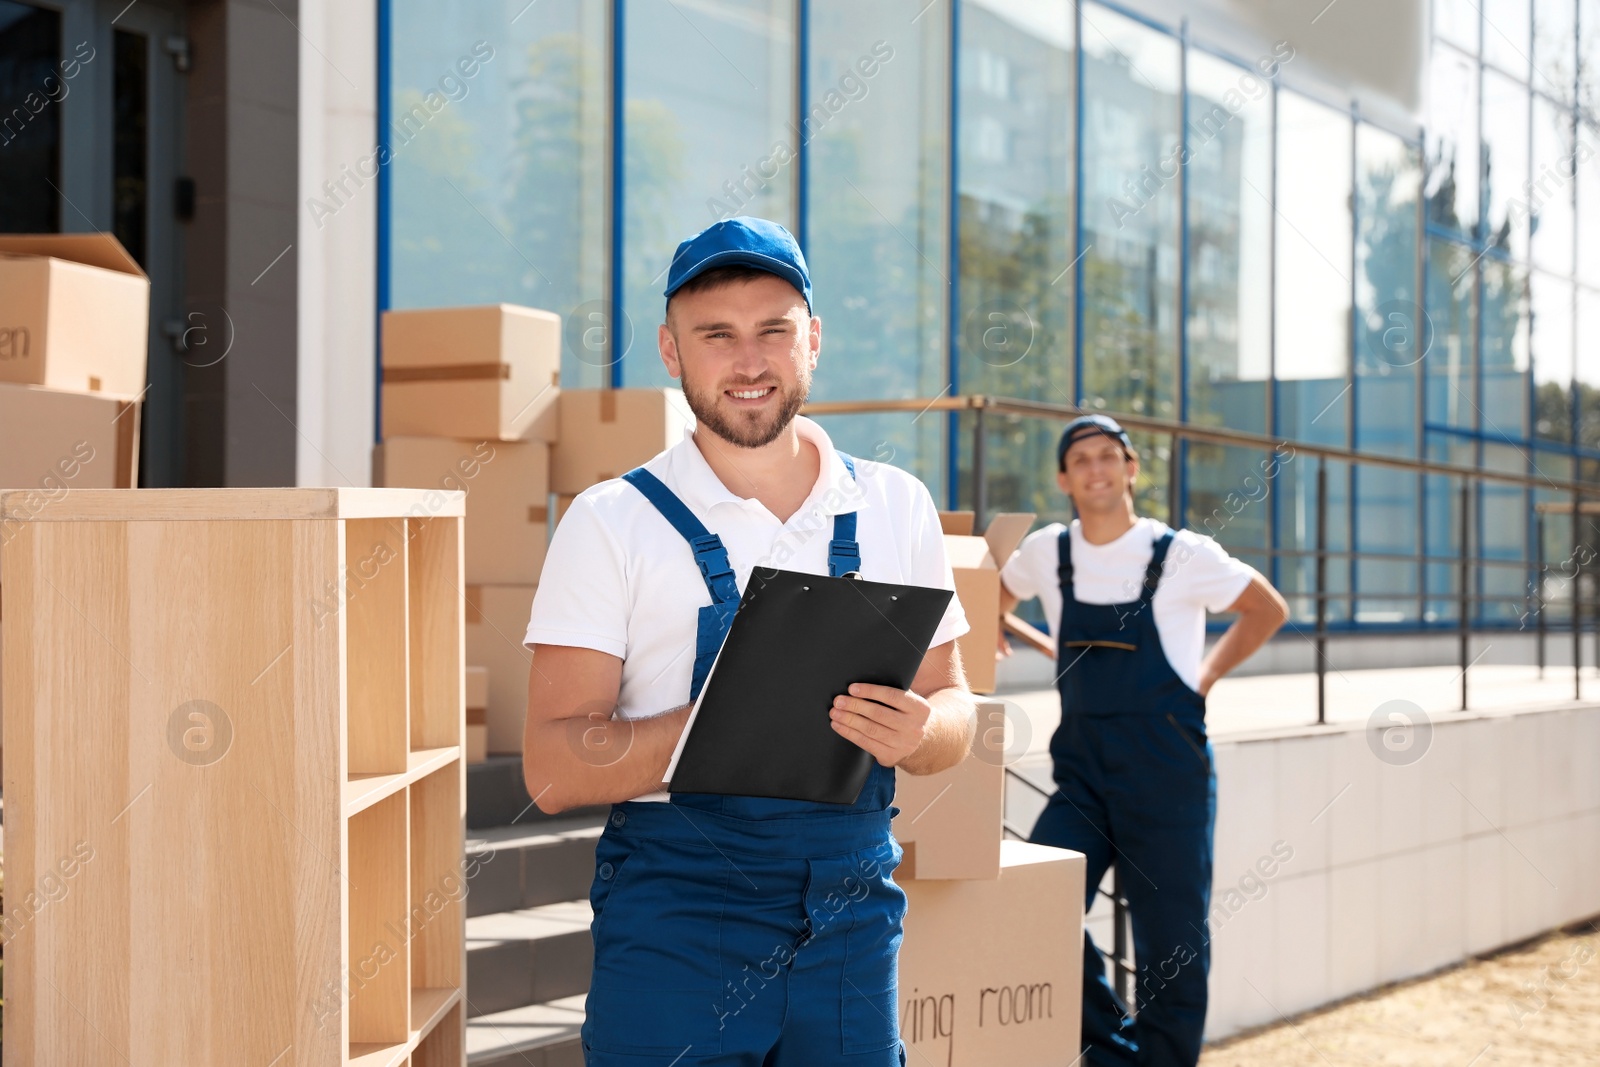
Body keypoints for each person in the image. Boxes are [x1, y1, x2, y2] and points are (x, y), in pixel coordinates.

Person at [521, 216, 976, 1065]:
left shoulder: (894, 504)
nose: (750, 361)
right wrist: (727, 723)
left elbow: (956, 707)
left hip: (850, 911)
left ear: (813, 340)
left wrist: (923, 731)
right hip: (678, 915)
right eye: (716, 335)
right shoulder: (611, 522)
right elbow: (550, 768)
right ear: (670, 350)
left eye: (773, 330)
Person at [997, 414, 1288, 1067]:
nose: (1096, 468)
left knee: (1173, 948)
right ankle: (1115, 1053)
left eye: (1109, 455)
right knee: (1032, 906)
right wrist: (1003, 624)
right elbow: (987, 591)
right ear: (1063, 478)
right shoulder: (1047, 551)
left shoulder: (1183, 553)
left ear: (1131, 469)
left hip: (1168, 772)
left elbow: (1267, 607)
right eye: (1082, 459)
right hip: (1082, 775)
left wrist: (1203, 678)